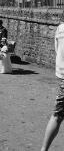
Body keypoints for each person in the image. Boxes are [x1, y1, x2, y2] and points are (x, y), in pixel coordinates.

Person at [41, 22, 64, 151]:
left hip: (63, 75)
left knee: (57, 115)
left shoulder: (60, 28)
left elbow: (57, 50)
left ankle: (44, 149)